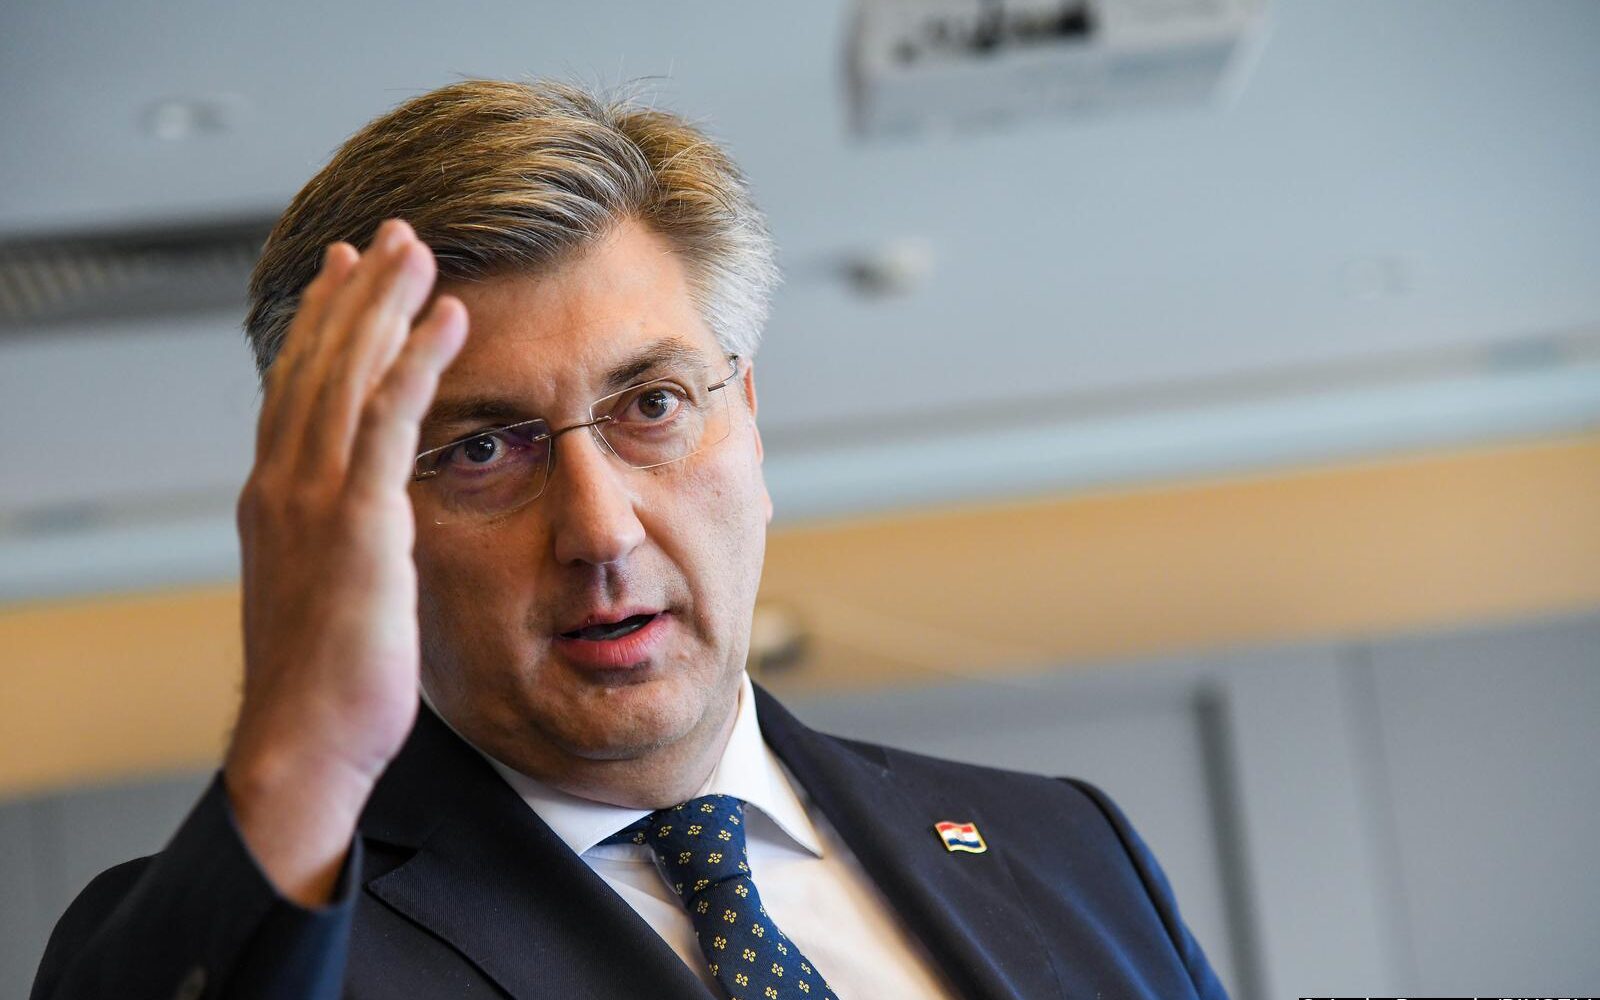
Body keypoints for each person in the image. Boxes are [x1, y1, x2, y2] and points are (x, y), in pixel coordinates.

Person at [31, 79, 1227, 1000]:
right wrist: (299, 758)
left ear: (744, 416)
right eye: (482, 449)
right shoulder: (266, 937)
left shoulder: (1067, 846)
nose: (599, 528)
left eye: (651, 404)